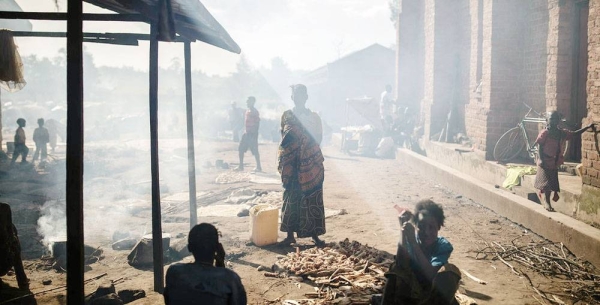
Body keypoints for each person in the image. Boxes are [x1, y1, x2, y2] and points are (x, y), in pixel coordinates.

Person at [381, 200, 461, 305]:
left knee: (450, 272)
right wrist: (403, 230)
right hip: (411, 293)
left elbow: (430, 274)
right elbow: (400, 264)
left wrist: (414, 244)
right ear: (416, 226)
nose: (426, 232)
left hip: (433, 296)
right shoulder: (410, 239)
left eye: (431, 227)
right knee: (395, 267)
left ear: (439, 227)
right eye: (421, 226)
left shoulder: (443, 246)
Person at [278, 84, 326, 247]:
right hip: (291, 163)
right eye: (295, 95)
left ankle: (314, 234)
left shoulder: (314, 117)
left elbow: (318, 138)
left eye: (301, 94)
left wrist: (305, 150)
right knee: (291, 196)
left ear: (306, 97)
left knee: (312, 195)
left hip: (310, 163)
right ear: (292, 98)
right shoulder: (287, 116)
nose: (298, 97)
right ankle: (290, 235)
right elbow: (283, 138)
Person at [164, 223, 247, 305]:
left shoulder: (174, 272)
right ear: (218, 247)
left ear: (189, 248)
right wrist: (220, 263)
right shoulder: (230, 279)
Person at [534, 111, 594, 211]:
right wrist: (541, 159)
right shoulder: (545, 133)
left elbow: (574, 134)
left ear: (559, 121)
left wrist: (587, 127)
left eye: (556, 119)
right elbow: (540, 146)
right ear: (547, 121)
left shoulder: (561, 133)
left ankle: (547, 201)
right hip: (545, 160)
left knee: (552, 182)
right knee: (546, 183)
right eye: (552, 119)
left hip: (554, 161)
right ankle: (547, 202)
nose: (554, 121)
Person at [235, 97, 262, 172]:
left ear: (252, 102)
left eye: (248, 102)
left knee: (255, 150)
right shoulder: (247, 111)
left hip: (252, 134)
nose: (247, 103)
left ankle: (259, 167)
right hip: (246, 133)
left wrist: (254, 134)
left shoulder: (254, 112)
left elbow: (257, 123)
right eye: (246, 102)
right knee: (241, 149)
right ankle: (241, 166)